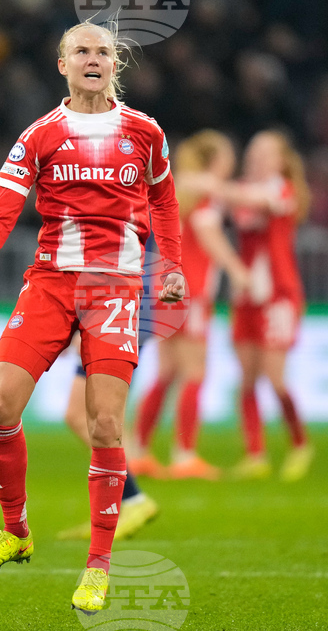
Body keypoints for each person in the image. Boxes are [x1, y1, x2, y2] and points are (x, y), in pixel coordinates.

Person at [0, 21, 185, 614]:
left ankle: (98, 566)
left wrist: (172, 268)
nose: (93, 58)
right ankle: (16, 530)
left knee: (105, 425)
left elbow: (164, 200)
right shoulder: (41, 135)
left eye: (103, 52)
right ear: (62, 65)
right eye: (81, 50)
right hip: (51, 284)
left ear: (117, 66)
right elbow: (5, 203)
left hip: (115, 288)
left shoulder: (144, 132)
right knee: (1, 405)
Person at [130, 130, 251, 480]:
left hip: (162, 287)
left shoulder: (182, 189)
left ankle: (139, 451)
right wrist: (237, 270)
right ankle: (184, 455)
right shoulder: (205, 195)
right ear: (217, 160)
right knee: (195, 373)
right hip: (191, 290)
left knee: (166, 372)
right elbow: (209, 235)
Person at [228, 130, 313, 482]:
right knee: (247, 379)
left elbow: (240, 198)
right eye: (254, 150)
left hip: (278, 295)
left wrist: (204, 183)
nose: (258, 157)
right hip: (247, 297)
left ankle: (299, 443)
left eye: (266, 152)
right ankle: (256, 455)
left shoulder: (281, 189)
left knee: (275, 378)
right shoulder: (245, 190)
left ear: (281, 160)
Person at [57, 334, 160, 541]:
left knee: (98, 417)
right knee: (88, 417)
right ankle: (112, 512)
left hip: (113, 323)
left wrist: (80, 330)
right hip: (108, 321)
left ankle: (133, 500)